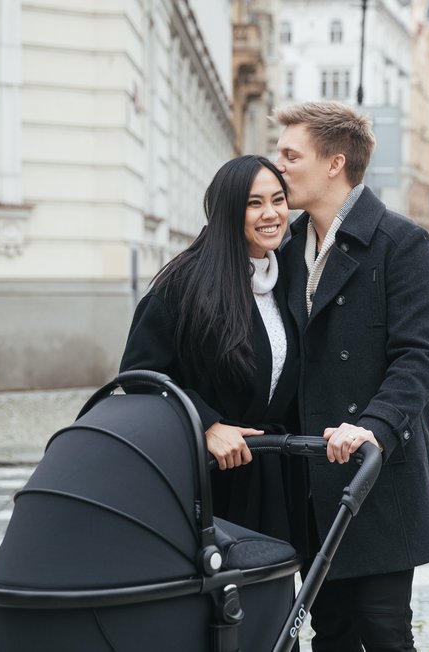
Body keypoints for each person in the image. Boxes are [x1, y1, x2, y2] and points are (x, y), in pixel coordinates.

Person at [273, 101, 429, 651]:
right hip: (309, 471)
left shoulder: (401, 243)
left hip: (375, 470)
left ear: (334, 163)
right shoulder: (283, 250)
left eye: (290, 155)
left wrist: (372, 426)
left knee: (384, 628)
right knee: (333, 632)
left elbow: (418, 357)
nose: (278, 168)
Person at [119, 155, 308, 555]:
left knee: (271, 601)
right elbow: (138, 377)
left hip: (273, 477)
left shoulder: (287, 279)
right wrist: (205, 425)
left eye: (278, 200)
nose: (271, 214)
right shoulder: (187, 283)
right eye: (254, 203)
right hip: (211, 482)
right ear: (228, 210)